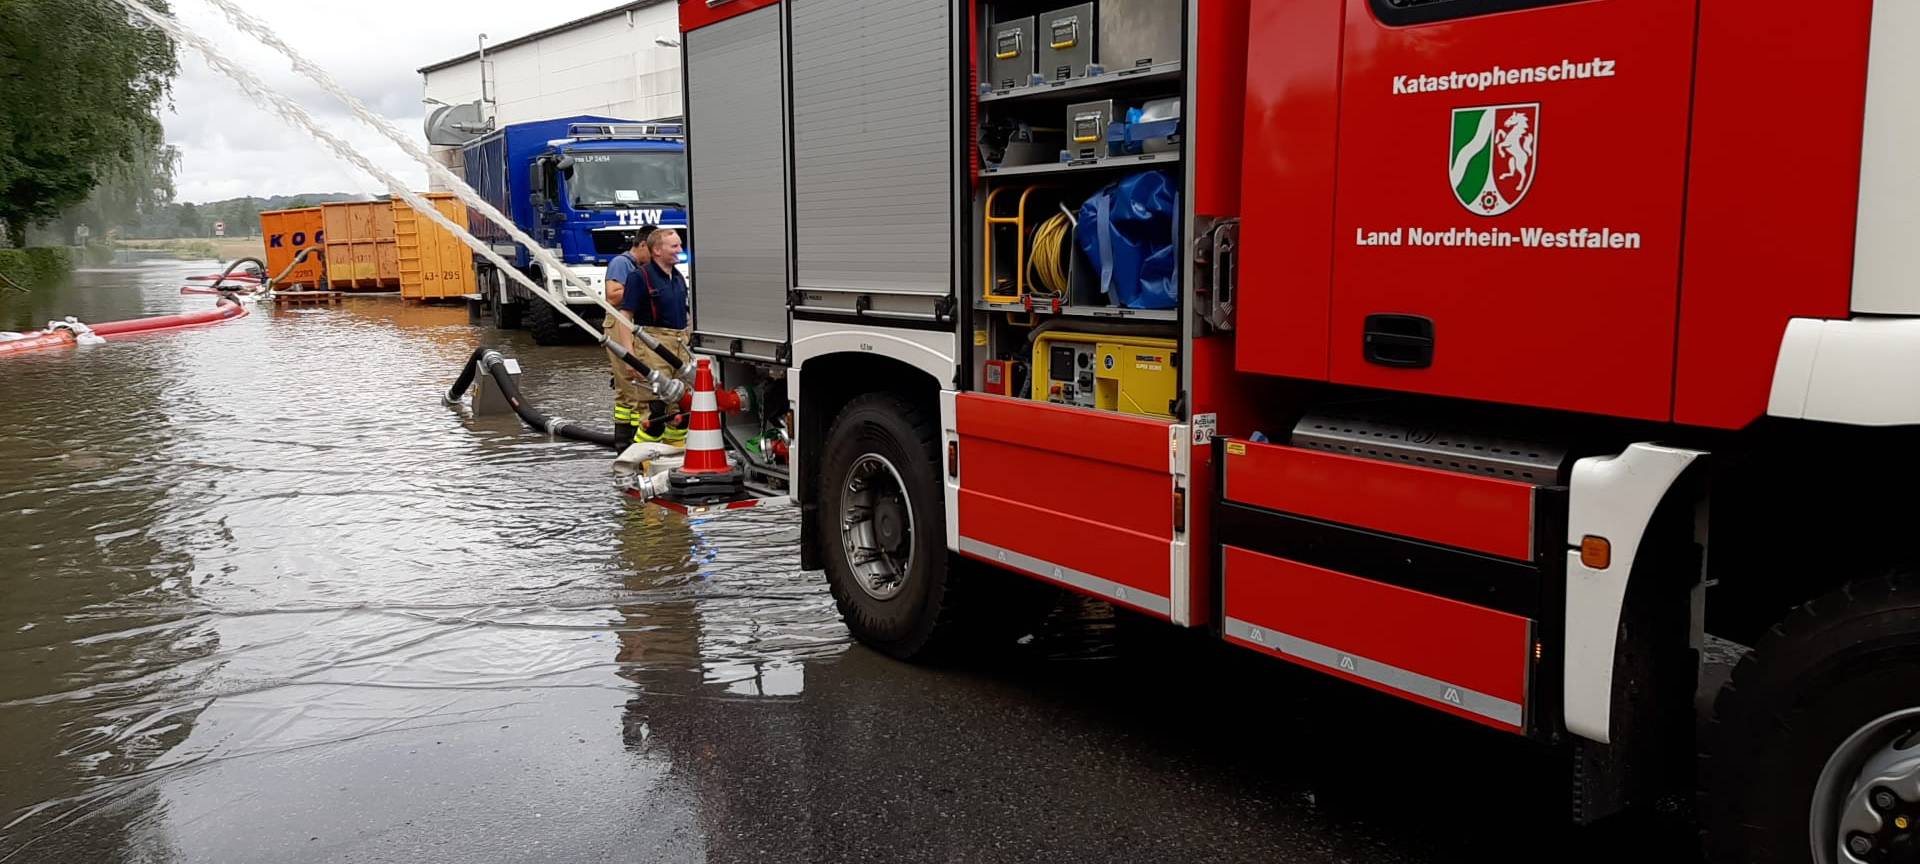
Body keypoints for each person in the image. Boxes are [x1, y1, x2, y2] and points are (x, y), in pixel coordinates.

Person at [615, 227, 691, 445]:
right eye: (674, 246)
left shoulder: (677, 278)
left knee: (680, 413)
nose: (680, 250)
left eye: (680, 245)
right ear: (657, 250)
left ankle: (673, 458)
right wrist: (630, 357)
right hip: (651, 347)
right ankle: (642, 463)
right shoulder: (640, 277)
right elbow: (624, 317)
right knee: (655, 412)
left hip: (679, 345)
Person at [604, 227, 655, 446]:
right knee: (628, 383)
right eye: (652, 251)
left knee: (634, 387)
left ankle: (629, 439)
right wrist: (645, 285)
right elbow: (613, 296)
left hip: (631, 324)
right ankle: (627, 442)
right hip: (619, 324)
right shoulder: (621, 263)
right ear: (643, 245)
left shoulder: (639, 267)